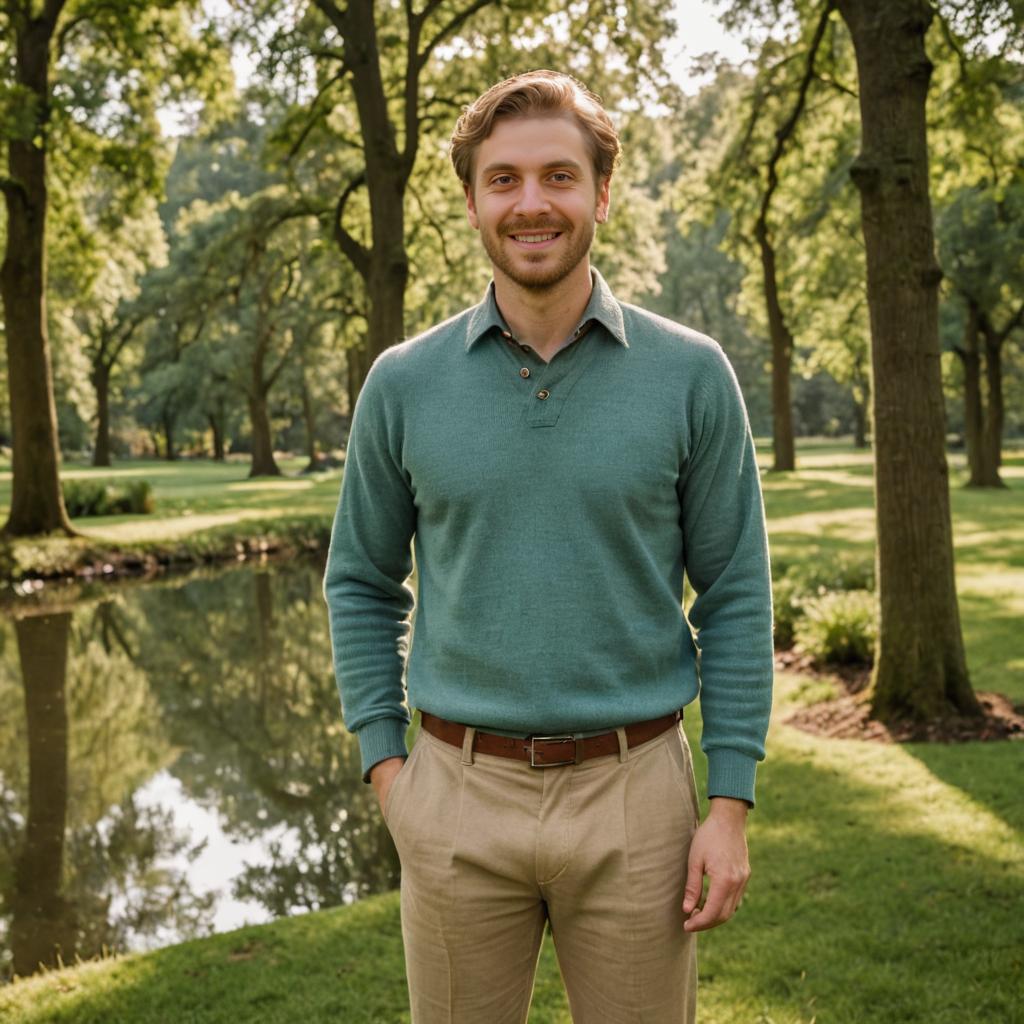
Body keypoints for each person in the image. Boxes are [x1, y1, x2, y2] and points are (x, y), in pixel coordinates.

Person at [323, 69, 773, 1024]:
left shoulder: (691, 375)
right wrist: (388, 772)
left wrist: (727, 804)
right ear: (474, 202)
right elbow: (361, 581)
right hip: (451, 793)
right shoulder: (402, 384)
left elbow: (734, 591)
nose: (533, 203)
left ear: (602, 194)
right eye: (505, 180)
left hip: (637, 796)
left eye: (560, 176)